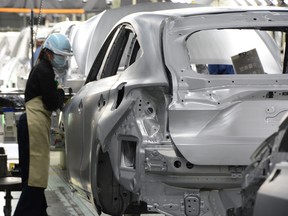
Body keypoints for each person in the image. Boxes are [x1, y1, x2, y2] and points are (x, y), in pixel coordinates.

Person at [14, 33, 73, 216]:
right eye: (61, 56)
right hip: (34, 124)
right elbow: (51, 102)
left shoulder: (42, 68)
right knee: (35, 179)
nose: (63, 61)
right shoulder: (45, 71)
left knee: (32, 178)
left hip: (31, 123)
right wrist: (61, 92)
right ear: (49, 53)